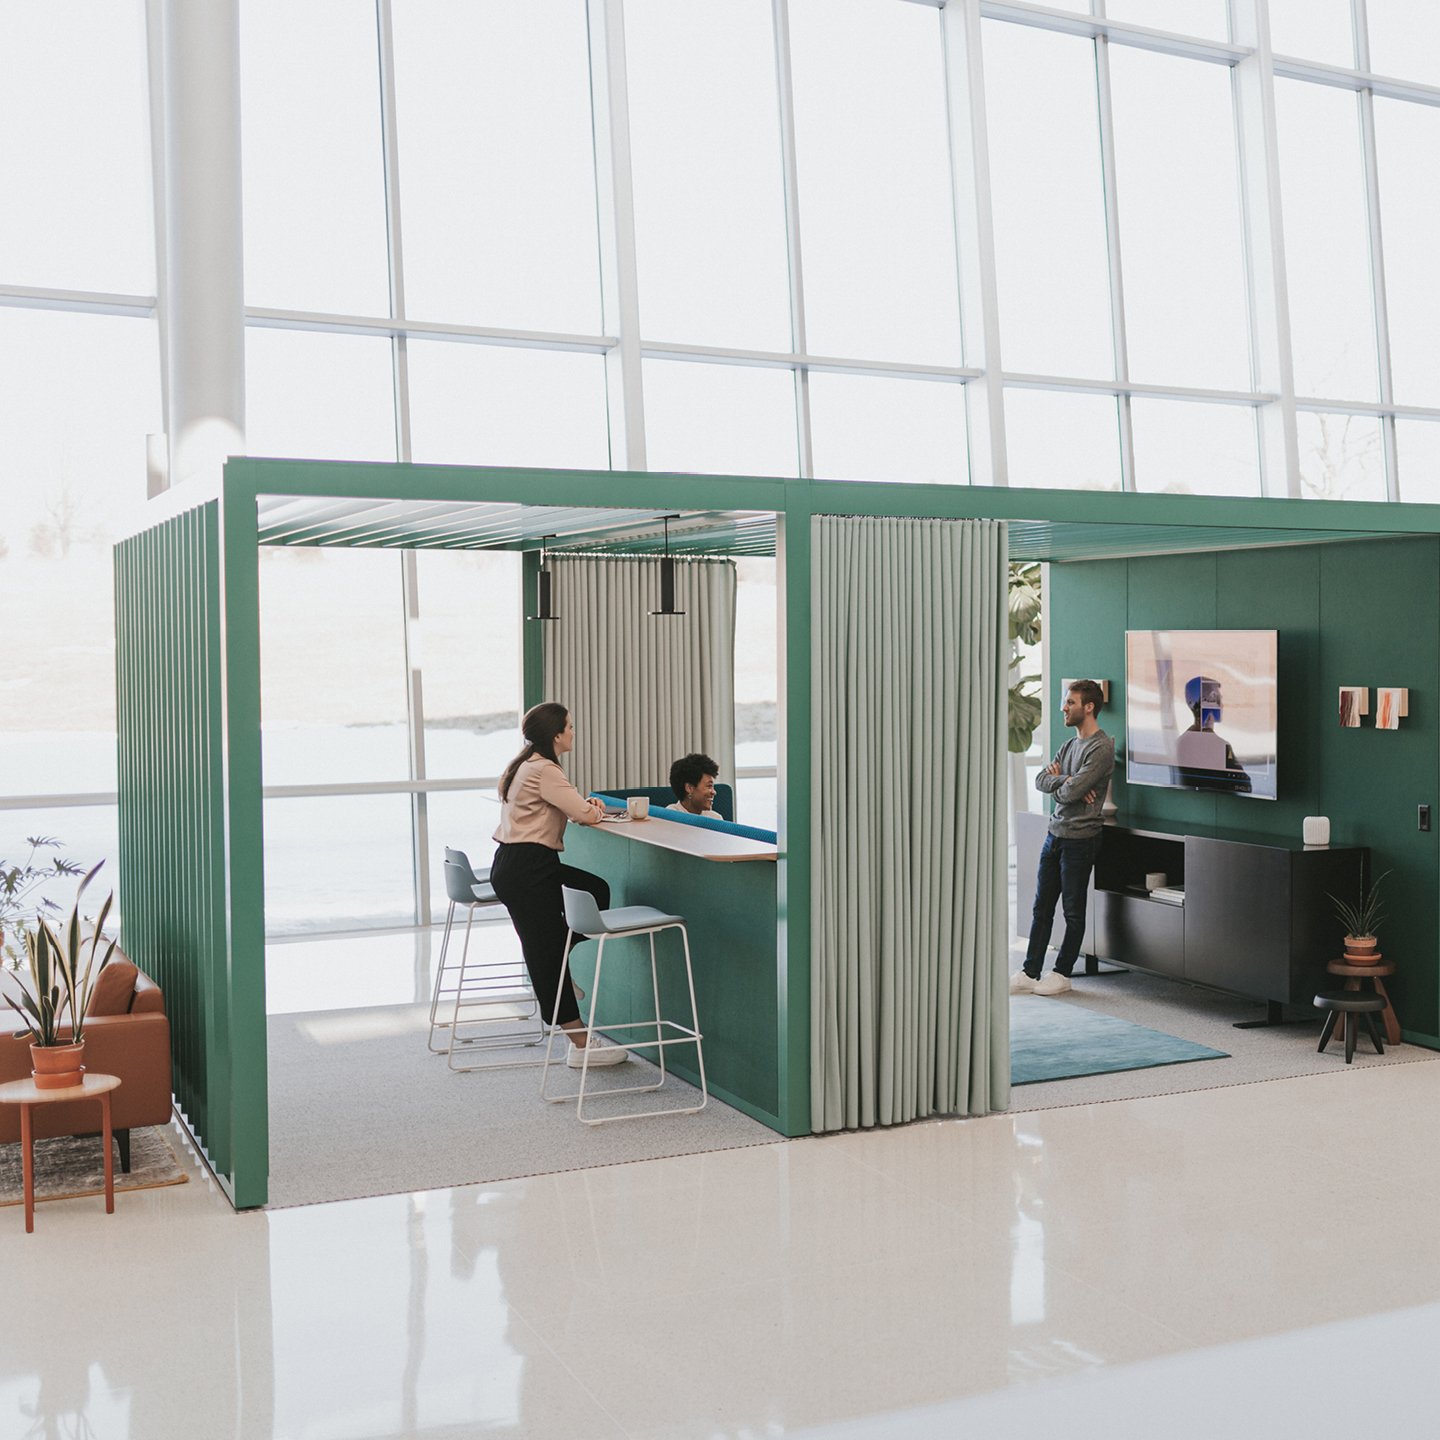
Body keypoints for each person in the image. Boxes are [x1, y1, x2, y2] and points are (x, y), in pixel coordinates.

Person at [489, 702, 629, 1067]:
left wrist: (587, 806)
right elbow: (582, 814)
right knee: (546, 952)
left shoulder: (524, 764)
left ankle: (562, 962)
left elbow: (572, 807)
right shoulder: (545, 769)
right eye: (570, 726)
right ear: (556, 735)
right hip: (528, 868)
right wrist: (593, 808)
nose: (573, 732)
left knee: (594, 891)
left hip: (521, 864)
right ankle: (581, 1046)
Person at [1012, 679, 1116, 997]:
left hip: (1081, 839)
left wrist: (1065, 782)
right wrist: (1065, 779)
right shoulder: (1070, 746)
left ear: (1088, 707)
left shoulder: (1101, 747)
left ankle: (1062, 972)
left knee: (1072, 909)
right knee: (1041, 907)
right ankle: (1031, 971)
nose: (1063, 708)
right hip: (1054, 835)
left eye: (1070, 702)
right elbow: (1043, 780)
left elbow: (1070, 791)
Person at [667, 752, 720, 817]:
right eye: (709, 786)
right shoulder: (670, 816)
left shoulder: (715, 819)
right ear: (689, 788)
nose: (714, 792)